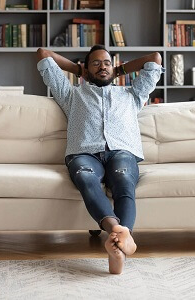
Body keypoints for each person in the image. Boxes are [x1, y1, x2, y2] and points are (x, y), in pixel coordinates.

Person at [36, 45, 163, 274]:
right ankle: (119, 232)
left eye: (106, 62)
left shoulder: (133, 95)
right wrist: (78, 70)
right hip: (84, 154)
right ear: (87, 69)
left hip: (122, 152)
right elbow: (44, 54)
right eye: (95, 63)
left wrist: (120, 69)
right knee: (85, 178)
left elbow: (154, 59)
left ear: (113, 68)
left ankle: (117, 251)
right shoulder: (72, 94)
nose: (102, 66)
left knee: (124, 182)